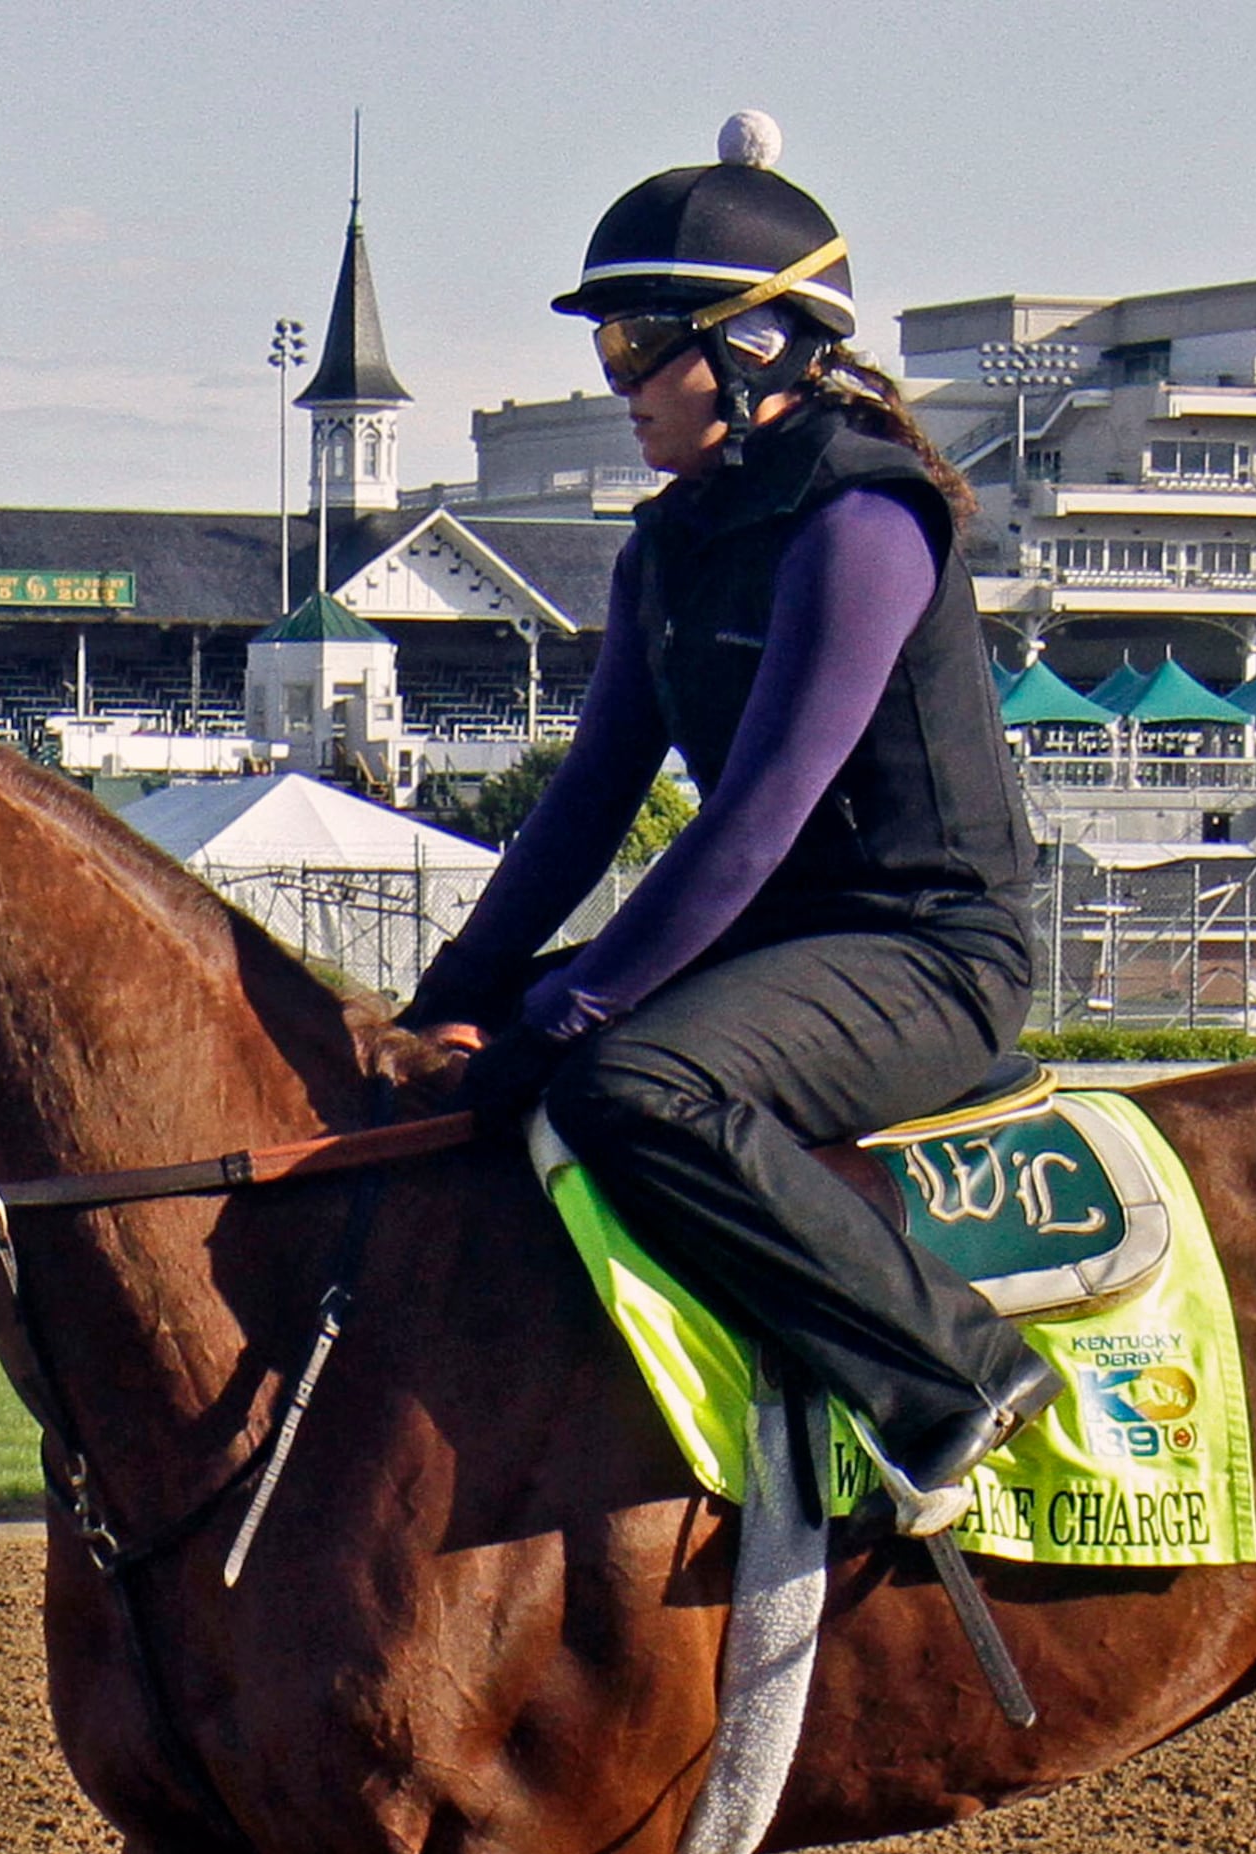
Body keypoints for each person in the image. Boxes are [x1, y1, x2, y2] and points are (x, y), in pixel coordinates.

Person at [406, 113, 1057, 1535]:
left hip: (928, 949)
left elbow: (756, 820)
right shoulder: (671, 538)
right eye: (609, 350)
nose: (618, 383)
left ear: (757, 345)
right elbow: (589, 801)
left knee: (622, 1084)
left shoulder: (865, 521)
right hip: (798, 941)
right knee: (473, 1065)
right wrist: (448, 998)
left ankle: (953, 1374)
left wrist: (567, 1016)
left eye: (639, 344)